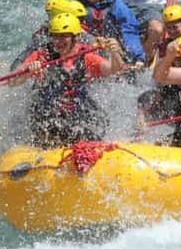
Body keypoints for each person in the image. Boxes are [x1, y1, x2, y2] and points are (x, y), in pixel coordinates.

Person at [14, 12, 126, 148]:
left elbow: (113, 69)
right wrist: (28, 71)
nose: (58, 41)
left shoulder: (86, 57)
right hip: (48, 117)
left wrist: (115, 53)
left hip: (77, 116)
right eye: (55, 36)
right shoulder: (42, 55)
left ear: (75, 37)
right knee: (44, 119)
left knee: (94, 120)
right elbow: (13, 81)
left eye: (64, 36)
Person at [73, 0, 145, 65]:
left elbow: (129, 33)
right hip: (87, 46)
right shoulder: (76, 5)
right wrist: (91, 39)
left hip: (112, 47)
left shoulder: (118, 7)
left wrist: (137, 57)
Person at [136, 35, 181, 138]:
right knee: (151, 96)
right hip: (174, 118)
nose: (179, 63)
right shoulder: (169, 76)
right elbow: (152, 90)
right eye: (177, 59)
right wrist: (141, 117)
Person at [10, 0, 90, 70]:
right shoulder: (42, 37)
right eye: (78, 20)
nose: (81, 24)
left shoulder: (78, 32)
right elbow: (20, 64)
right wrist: (27, 69)